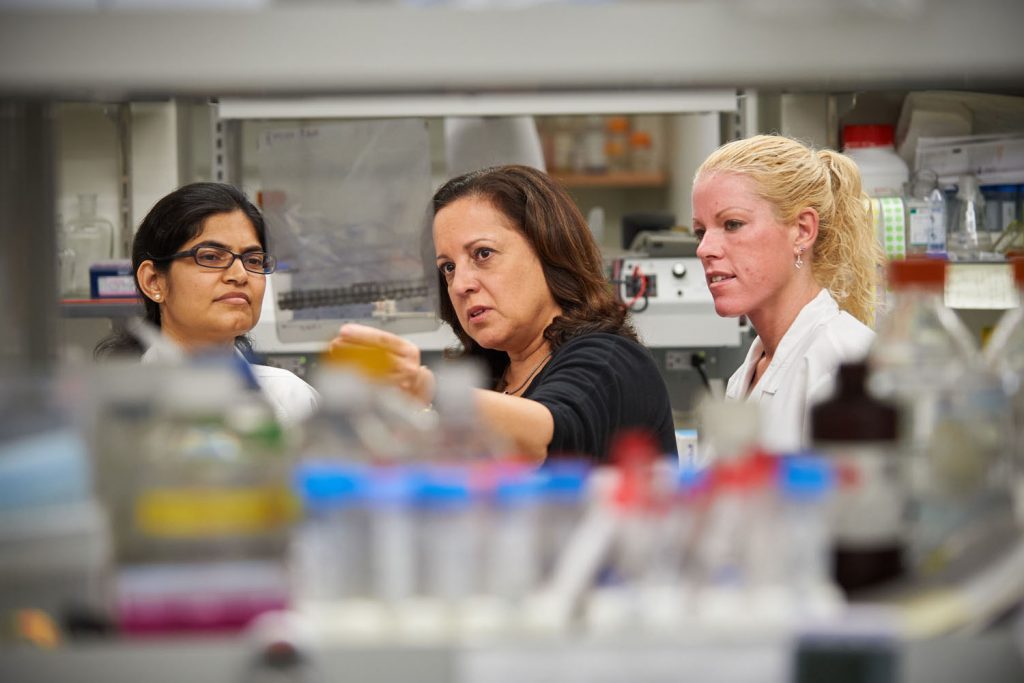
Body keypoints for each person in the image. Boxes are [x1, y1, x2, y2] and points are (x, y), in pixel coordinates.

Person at [330, 164, 676, 465]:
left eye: (483, 254)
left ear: (548, 249)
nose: (460, 284)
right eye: (448, 267)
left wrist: (424, 386)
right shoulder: (490, 376)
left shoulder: (610, 359)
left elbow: (551, 436)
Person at [691, 134, 883, 453]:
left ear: (803, 230)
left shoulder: (844, 362)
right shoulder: (748, 372)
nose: (704, 249)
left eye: (733, 224)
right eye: (701, 231)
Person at [95, 182, 319, 426]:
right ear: (154, 281)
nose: (240, 274)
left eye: (253, 260)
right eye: (211, 257)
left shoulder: (292, 398)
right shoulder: (111, 409)